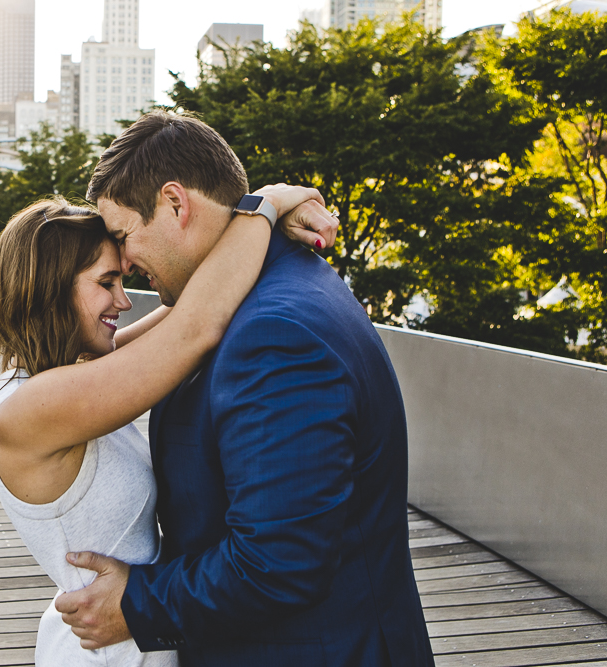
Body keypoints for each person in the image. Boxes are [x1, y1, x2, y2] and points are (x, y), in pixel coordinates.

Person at [54, 111, 436, 666]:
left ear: (175, 204)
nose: (124, 263)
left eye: (122, 237)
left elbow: (276, 561)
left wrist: (137, 604)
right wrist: (271, 204)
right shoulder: (265, 286)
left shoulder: (273, 335)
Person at [0, 189, 336, 666]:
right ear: (51, 287)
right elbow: (194, 327)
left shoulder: (66, 373)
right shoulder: (32, 408)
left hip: (130, 637)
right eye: (106, 282)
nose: (123, 301)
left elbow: (190, 305)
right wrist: (267, 202)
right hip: (107, 654)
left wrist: (255, 225)